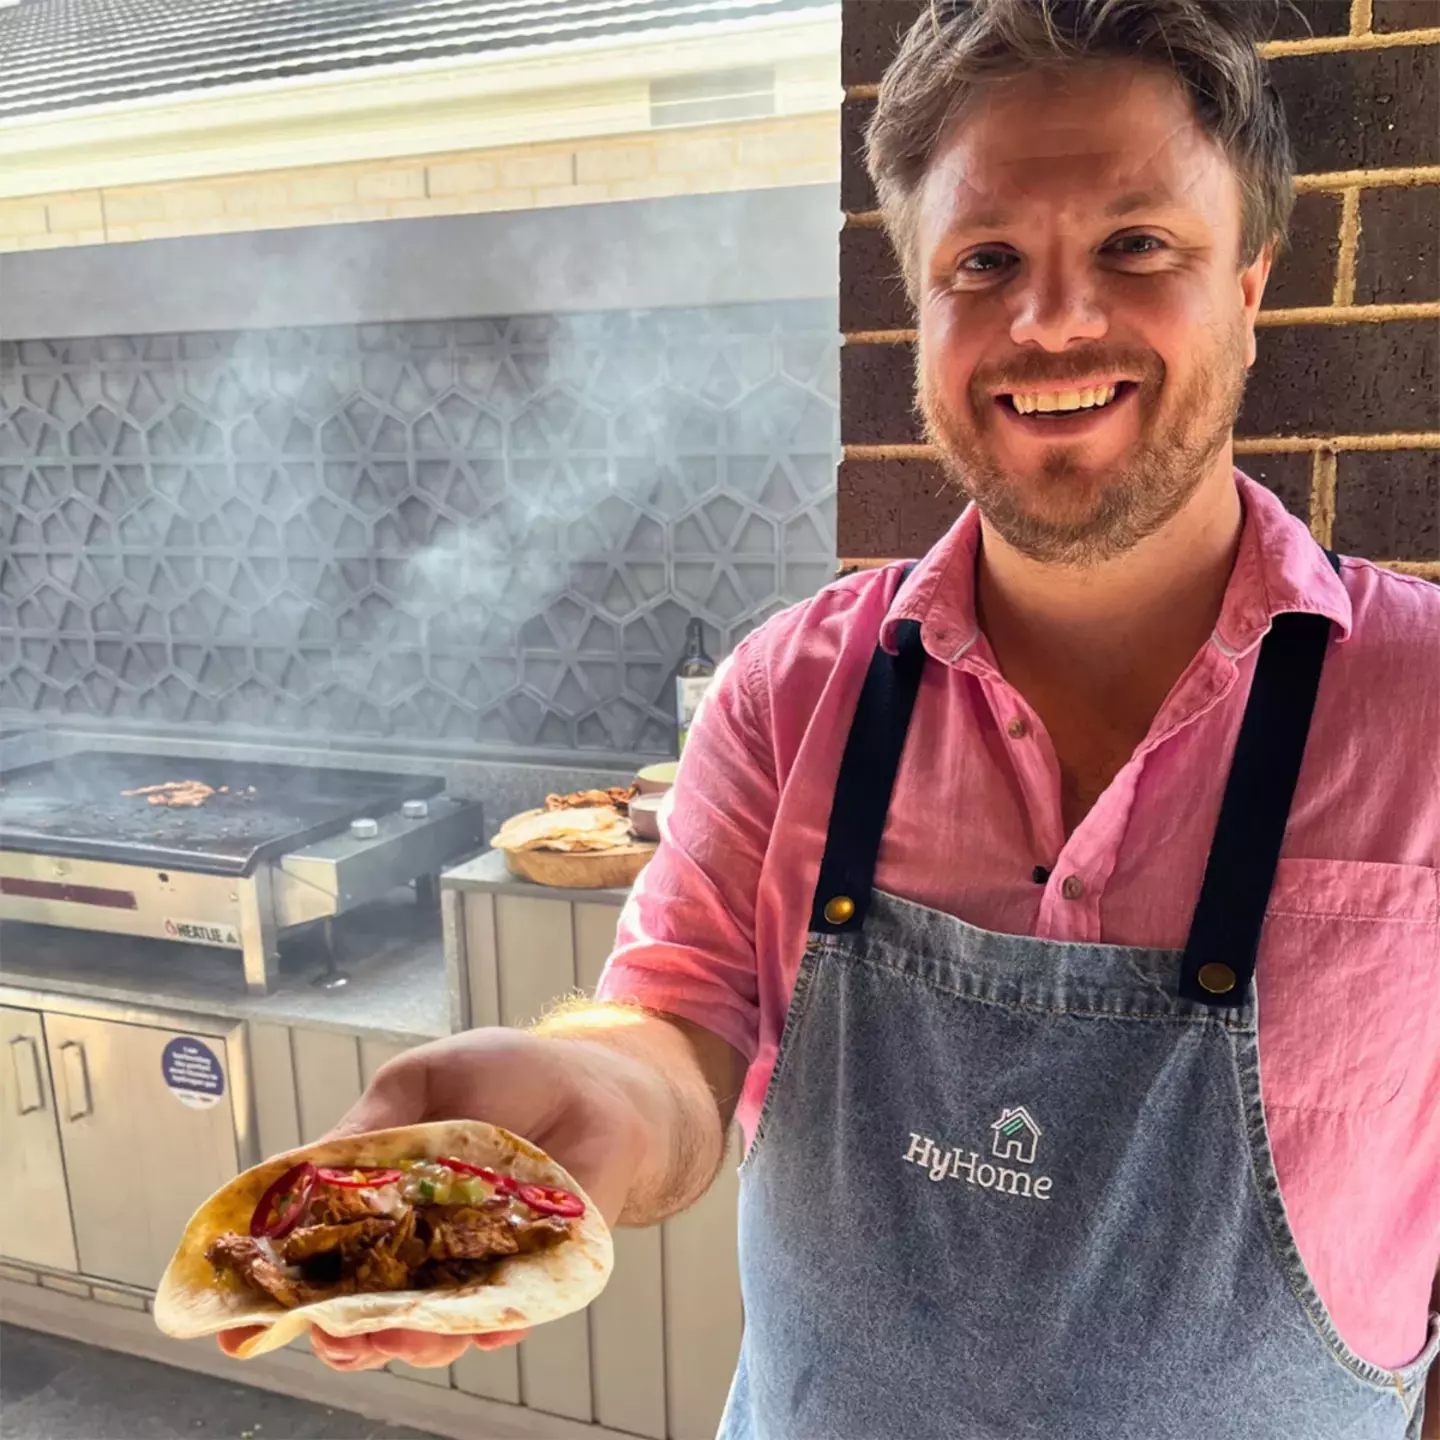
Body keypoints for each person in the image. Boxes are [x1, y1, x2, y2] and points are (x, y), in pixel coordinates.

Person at [221, 1, 1440, 1434]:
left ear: (1248, 285)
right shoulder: (789, 692)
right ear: (918, 307)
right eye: (984, 262)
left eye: (1135, 246)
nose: (1050, 320)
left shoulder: (1417, 712)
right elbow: (676, 1030)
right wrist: (584, 1094)